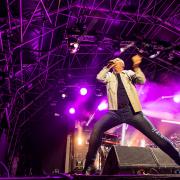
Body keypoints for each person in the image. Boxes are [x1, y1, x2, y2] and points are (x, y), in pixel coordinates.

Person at [82, 54, 180, 175]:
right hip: (115, 113)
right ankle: (89, 165)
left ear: (122, 66)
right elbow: (99, 77)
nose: (115, 64)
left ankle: (178, 158)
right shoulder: (109, 76)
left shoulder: (128, 73)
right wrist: (107, 67)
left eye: (118, 62)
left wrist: (136, 66)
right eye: (114, 62)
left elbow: (142, 80)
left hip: (133, 113)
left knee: (157, 137)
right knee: (97, 129)